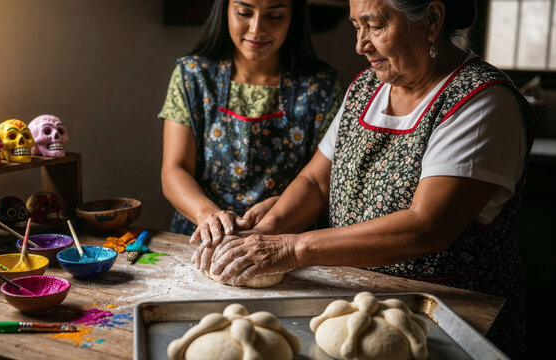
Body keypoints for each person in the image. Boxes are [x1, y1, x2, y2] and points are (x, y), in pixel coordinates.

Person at [194, 0, 534, 357]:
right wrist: (265, 232)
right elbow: (316, 181)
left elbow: (426, 226)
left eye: (375, 25)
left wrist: (290, 248)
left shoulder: (482, 101)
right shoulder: (367, 87)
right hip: (358, 300)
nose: (361, 44)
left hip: (444, 314)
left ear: (432, 19)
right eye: (357, 26)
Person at [159, 0, 343, 244]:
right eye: (244, 12)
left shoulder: (321, 86)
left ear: (293, 17)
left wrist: (278, 208)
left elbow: (320, 181)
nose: (257, 29)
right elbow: (175, 170)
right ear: (224, 9)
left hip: (284, 237)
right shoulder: (192, 75)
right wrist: (207, 214)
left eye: (274, 16)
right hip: (203, 235)